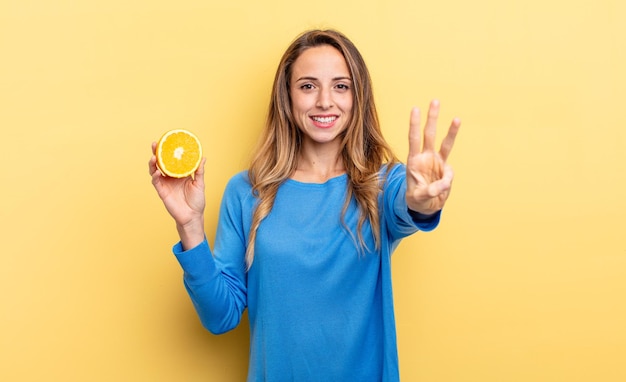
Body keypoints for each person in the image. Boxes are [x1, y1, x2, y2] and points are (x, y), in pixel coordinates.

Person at [149, 29, 460, 382]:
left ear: (358, 97)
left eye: (340, 86)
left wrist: (421, 203)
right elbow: (220, 316)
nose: (325, 101)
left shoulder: (382, 185)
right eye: (308, 86)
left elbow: (408, 208)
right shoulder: (247, 191)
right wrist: (189, 226)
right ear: (287, 97)